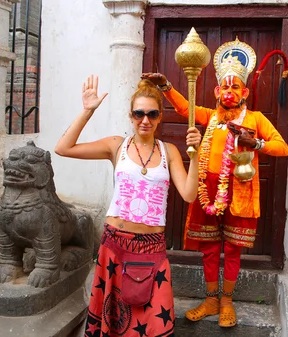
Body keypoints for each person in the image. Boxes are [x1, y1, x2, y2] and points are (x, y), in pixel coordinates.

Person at [142, 38, 288, 328]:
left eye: (236, 87)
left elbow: (282, 147)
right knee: (209, 249)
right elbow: (186, 109)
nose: (230, 91)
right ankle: (210, 299)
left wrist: (256, 142)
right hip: (206, 192)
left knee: (232, 250)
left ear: (244, 91)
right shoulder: (209, 118)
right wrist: (166, 86)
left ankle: (226, 302)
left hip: (241, 193)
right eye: (225, 86)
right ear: (216, 90)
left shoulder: (256, 119)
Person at [55, 75, 201, 337]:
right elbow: (63, 148)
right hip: (115, 246)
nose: (145, 120)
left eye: (152, 114)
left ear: (159, 117)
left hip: (152, 248)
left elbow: (189, 195)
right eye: (139, 113)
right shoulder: (116, 146)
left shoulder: (169, 152)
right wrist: (88, 111)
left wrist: (196, 154)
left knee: (154, 323)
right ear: (131, 115)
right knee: (113, 322)